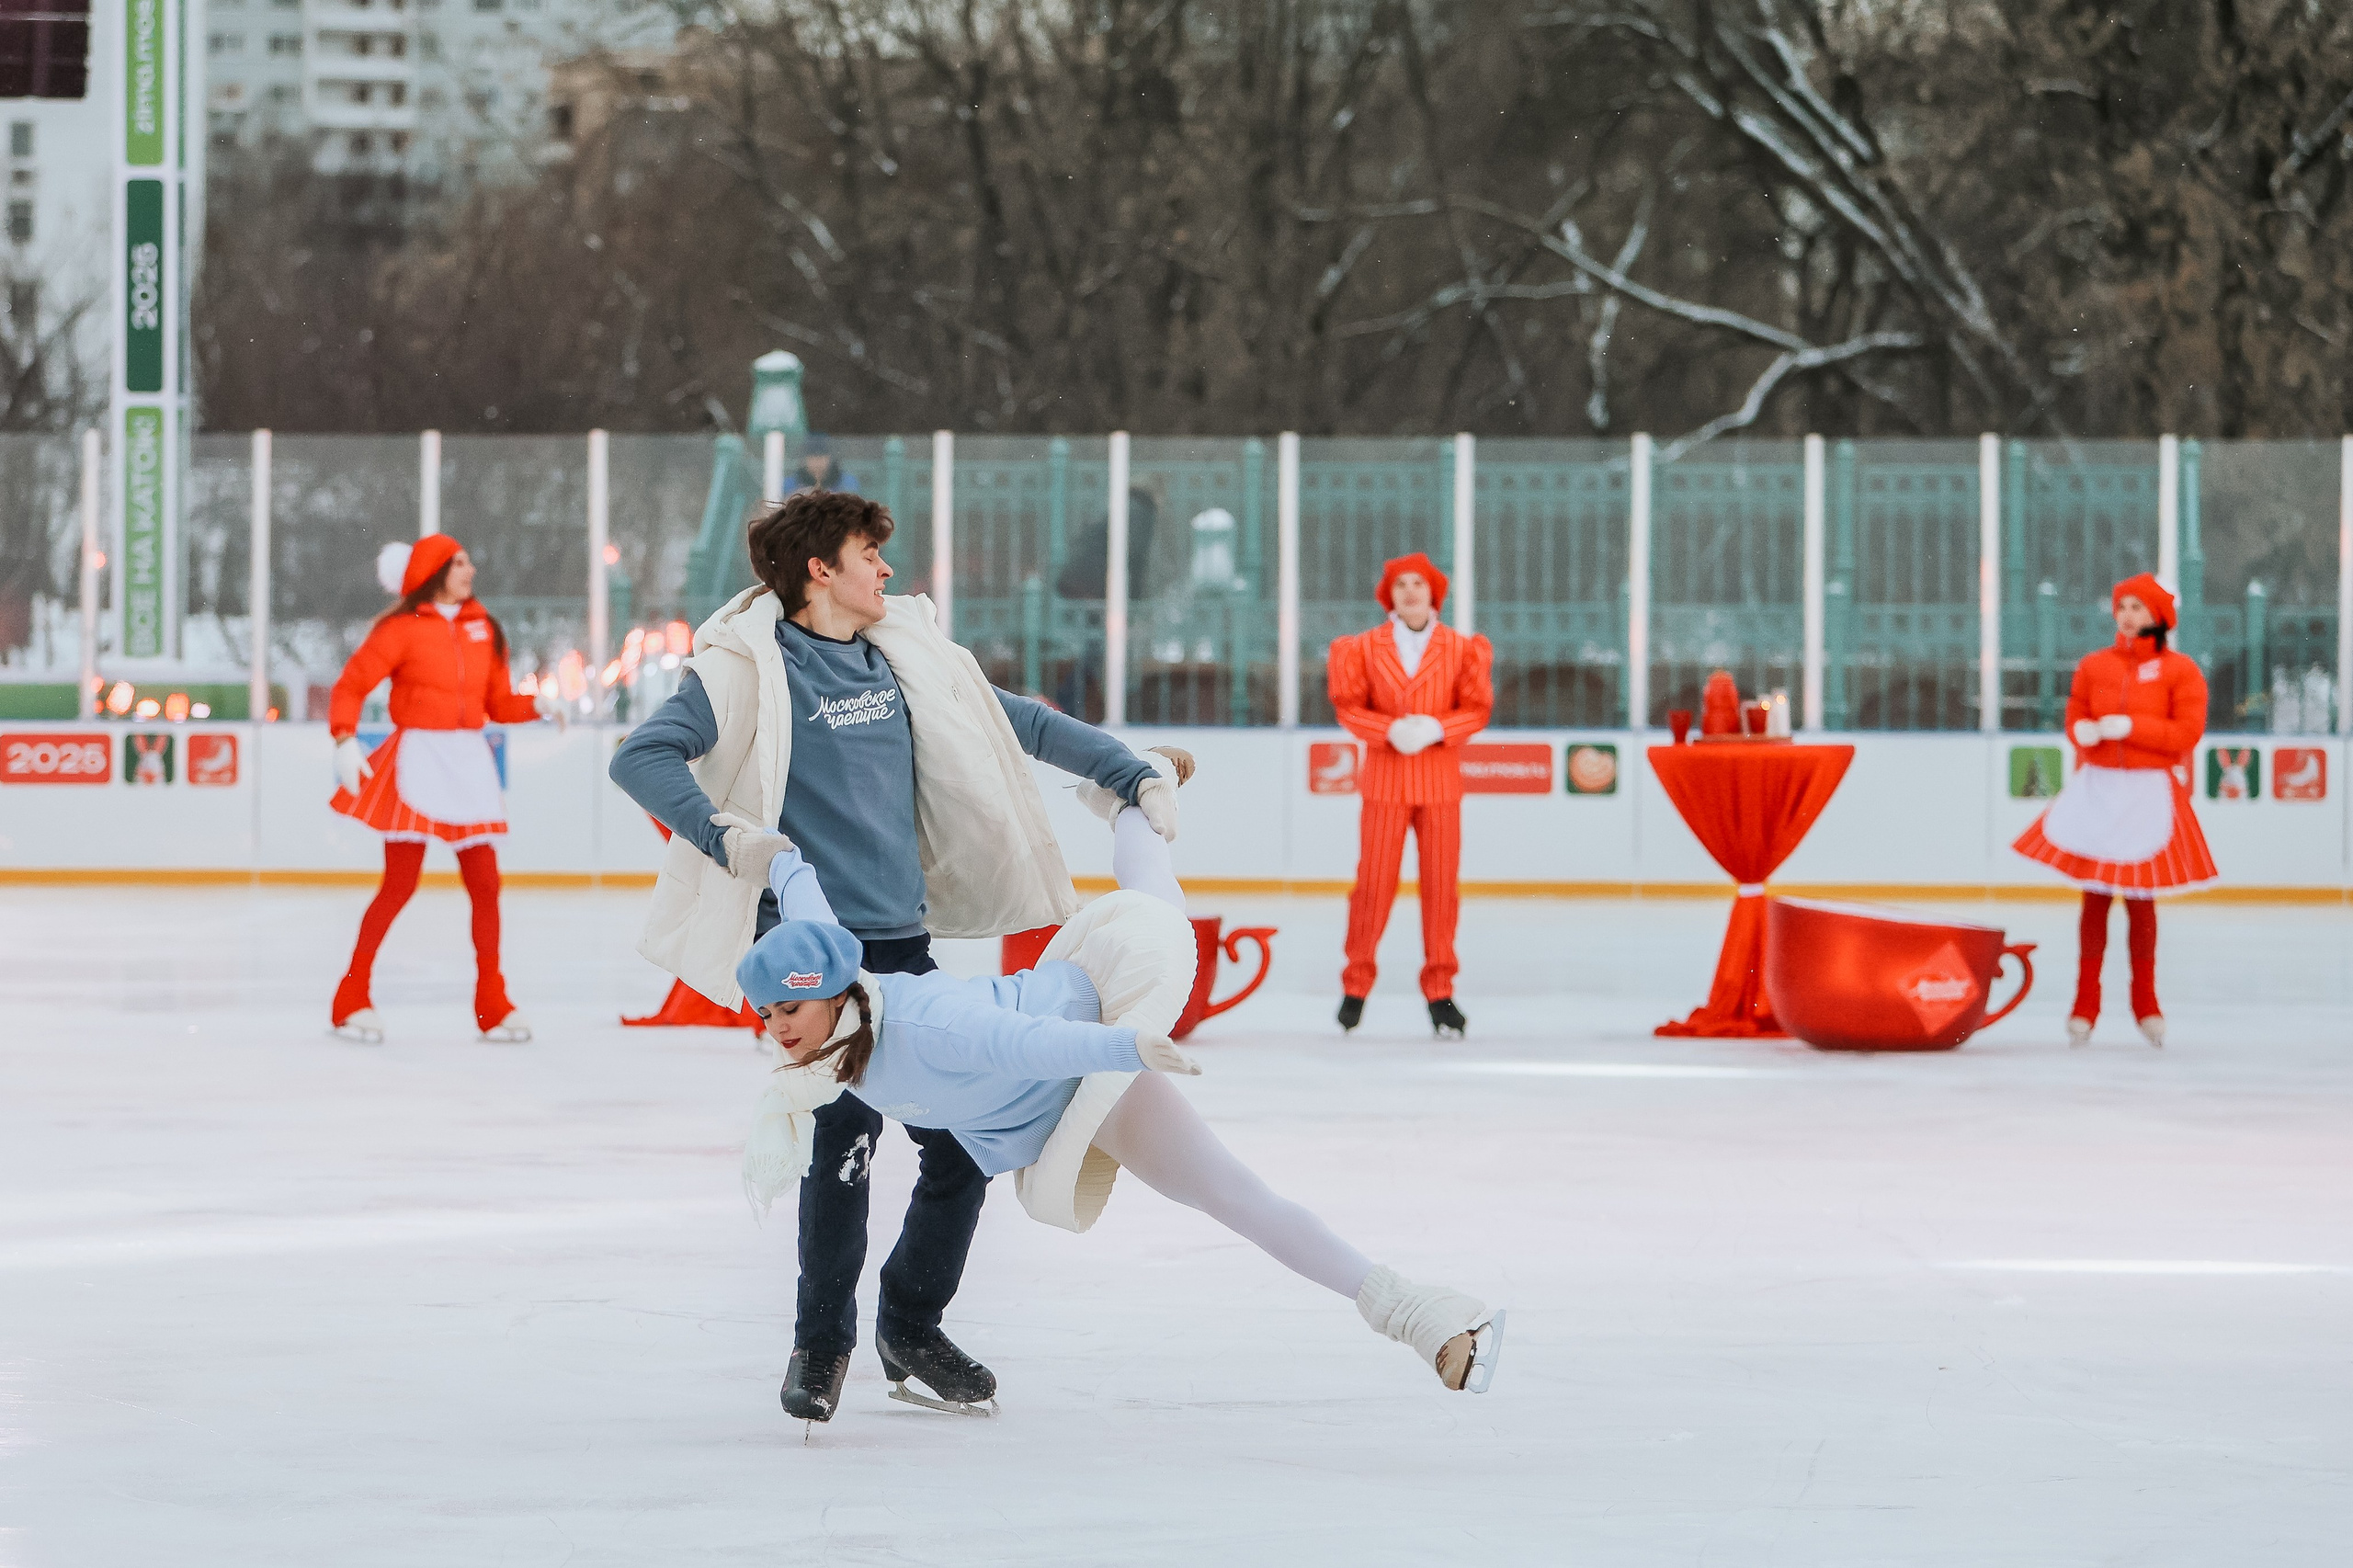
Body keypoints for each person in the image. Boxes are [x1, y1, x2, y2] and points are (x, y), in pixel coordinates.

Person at [608, 487, 1184, 1425]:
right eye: (866, 553)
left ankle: (910, 1322)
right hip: (815, 953)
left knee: (956, 1142)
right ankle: (822, 1342)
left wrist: (1130, 769)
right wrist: (731, 837)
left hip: (903, 943)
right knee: (843, 1140)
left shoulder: (899, 654)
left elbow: (1018, 723)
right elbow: (643, 757)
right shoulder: (750, 666)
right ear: (817, 570)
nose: (886, 568)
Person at [733, 795, 1505, 1425]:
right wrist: (779, 853)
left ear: (832, 993)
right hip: (1043, 1106)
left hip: (1086, 1038)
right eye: (767, 1014)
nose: (778, 1028)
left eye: (789, 1010)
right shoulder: (831, 1010)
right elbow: (809, 904)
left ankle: (1423, 1317)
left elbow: (1033, 1044)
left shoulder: (931, 1024)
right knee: (1149, 907)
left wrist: (1126, 1049)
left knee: (1231, 1191)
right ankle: (1134, 800)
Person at [326, 534, 562, 1044]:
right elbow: (351, 684)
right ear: (434, 571)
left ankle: (492, 1003)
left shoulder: (485, 626)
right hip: (419, 760)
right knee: (399, 884)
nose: (471, 569)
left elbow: (497, 703)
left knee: (485, 886)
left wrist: (535, 705)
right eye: (460, 562)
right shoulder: (400, 629)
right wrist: (344, 738)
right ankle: (351, 997)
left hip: (467, 762)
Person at [2013, 573, 2216, 1046]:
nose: (2127, 616)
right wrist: (2080, 731)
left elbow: (2185, 734)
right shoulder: (2094, 665)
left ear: (2159, 617)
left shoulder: (2180, 671)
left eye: (2137, 608)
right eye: (2122, 606)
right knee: (2095, 899)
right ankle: (2085, 1003)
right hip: (2101, 789)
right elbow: (2076, 713)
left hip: (2146, 793)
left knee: (2141, 902)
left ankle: (2146, 1002)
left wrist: (2131, 727)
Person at [1324, 552, 1494, 1038]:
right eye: (1401, 585)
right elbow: (1349, 706)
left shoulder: (1462, 649)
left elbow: (1477, 709)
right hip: (1385, 782)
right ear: (1390, 595)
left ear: (1434, 592)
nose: (1411, 592)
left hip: (1440, 783)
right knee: (1373, 885)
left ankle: (1440, 991)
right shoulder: (1363, 647)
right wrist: (1387, 730)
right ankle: (1356, 983)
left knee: (1441, 887)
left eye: (1419, 583)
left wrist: (1440, 726)